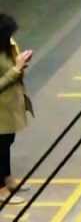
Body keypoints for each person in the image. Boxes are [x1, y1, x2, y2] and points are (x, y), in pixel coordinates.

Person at [0, 14, 32, 204]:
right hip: (1, 109)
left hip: (10, 106)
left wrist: (20, 62)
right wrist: (16, 69)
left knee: (6, 143)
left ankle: (8, 179)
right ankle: (1, 189)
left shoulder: (7, 46)